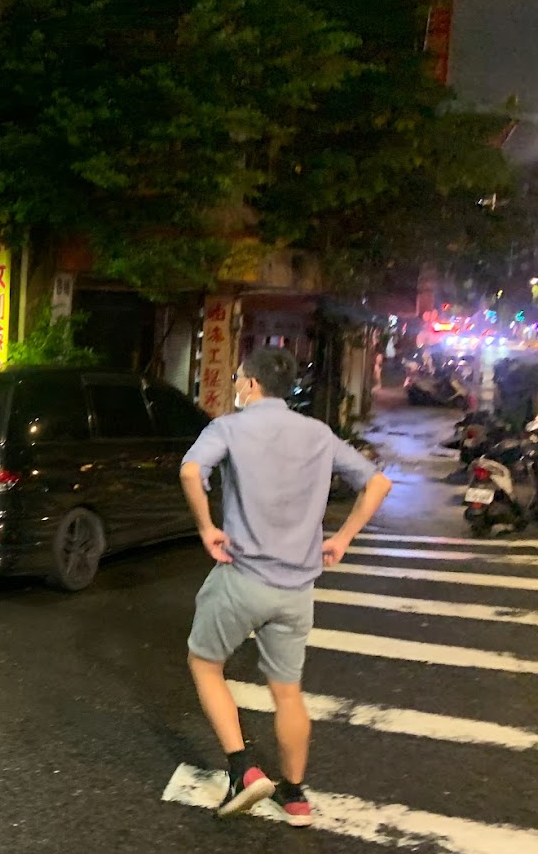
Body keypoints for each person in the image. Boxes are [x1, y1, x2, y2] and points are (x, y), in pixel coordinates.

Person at [179, 347, 393, 827]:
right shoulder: (318, 433)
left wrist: (206, 528)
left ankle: (242, 770)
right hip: (297, 589)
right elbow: (378, 484)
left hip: (242, 577)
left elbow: (191, 471)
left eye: (238, 378)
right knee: (288, 693)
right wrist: (342, 537)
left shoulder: (228, 428)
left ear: (251, 384)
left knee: (205, 664)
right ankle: (295, 795)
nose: (236, 385)